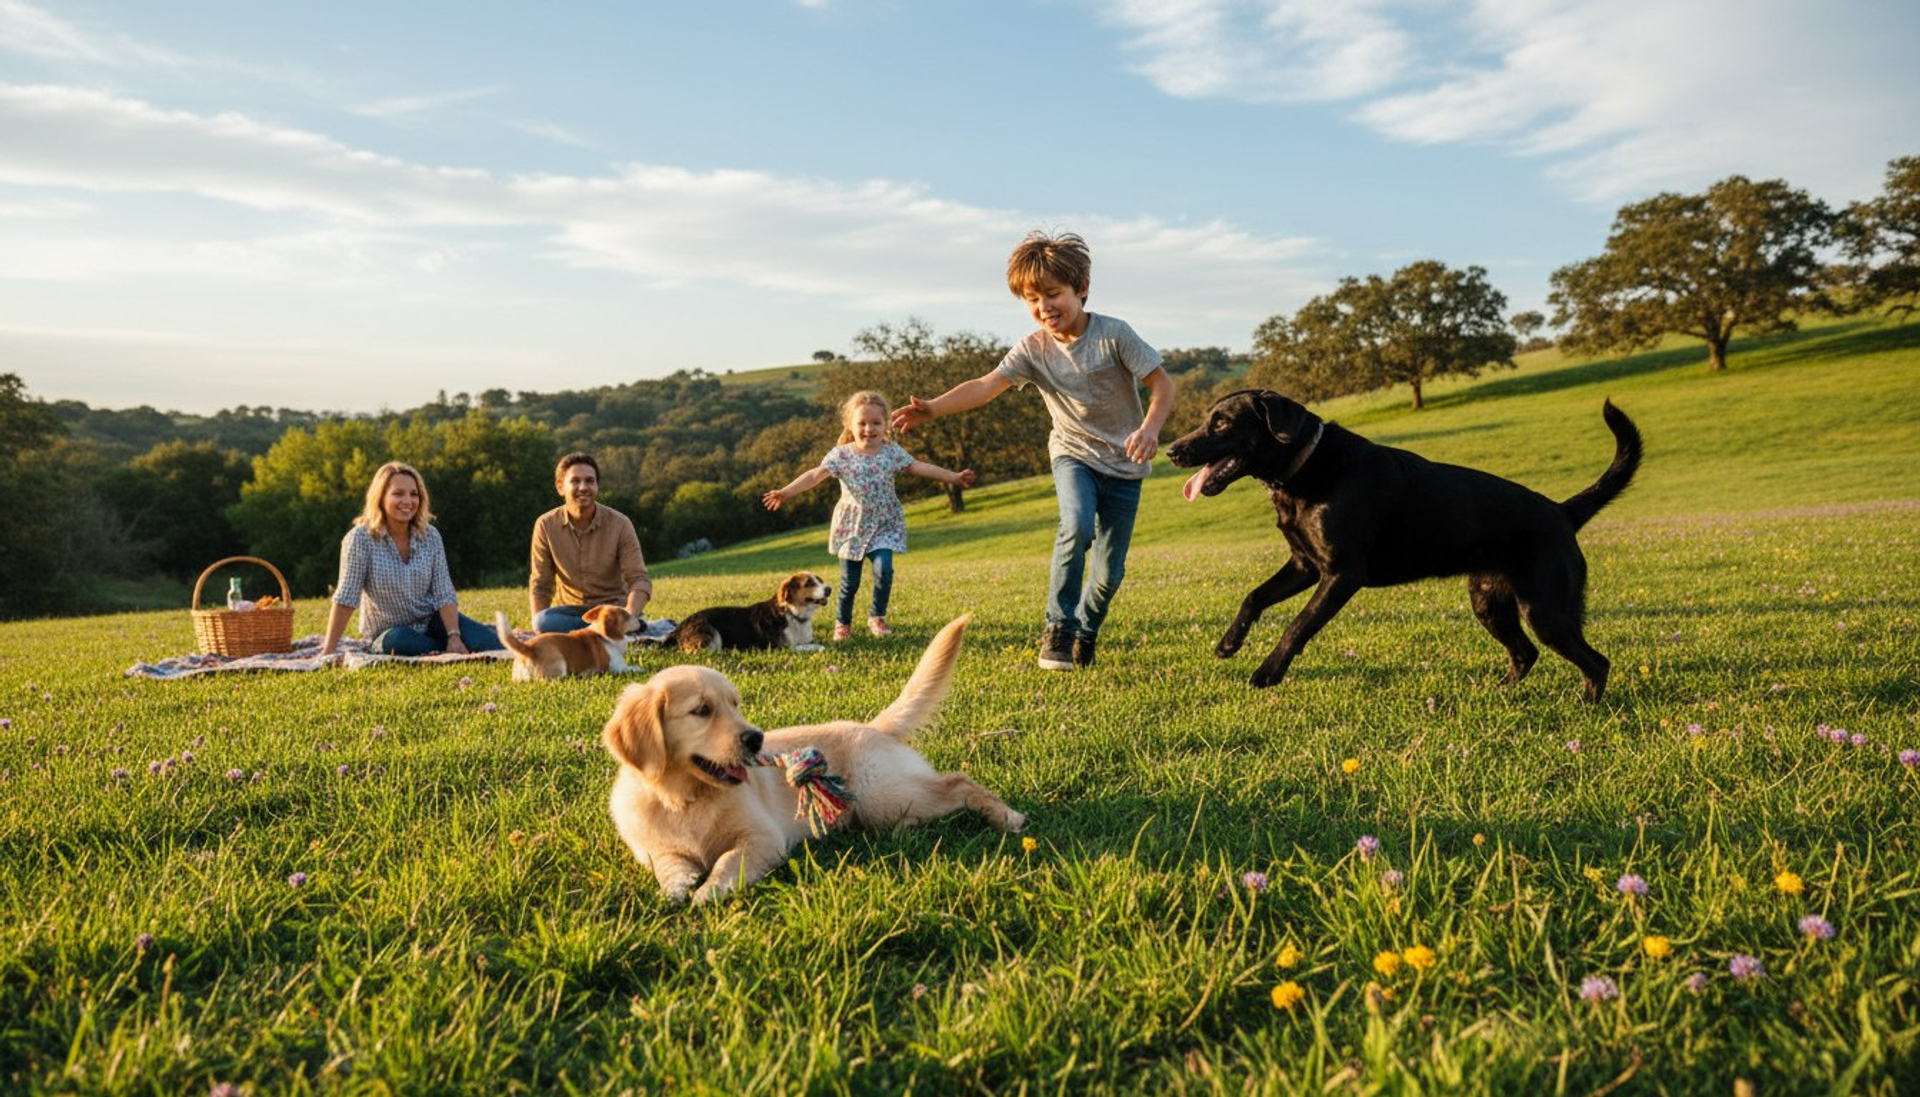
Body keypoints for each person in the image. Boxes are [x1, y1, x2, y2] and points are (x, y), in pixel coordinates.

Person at [892, 231, 1174, 671]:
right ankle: (1059, 625)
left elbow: (1162, 384)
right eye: (1031, 299)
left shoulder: (1114, 335)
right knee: (1076, 524)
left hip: (1124, 464)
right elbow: (986, 386)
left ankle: (1087, 629)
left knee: (1107, 576)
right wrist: (933, 407)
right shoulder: (1032, 349)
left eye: (1053, 293)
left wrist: (1150, 428)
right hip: (1072, 453)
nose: (1043, 307)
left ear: (1081, 289)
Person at [763, 391, 975, 641]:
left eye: (876, 423)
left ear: (886, 425)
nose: (869, 429)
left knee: (884, 570)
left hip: (884, 524)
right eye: (862, 423)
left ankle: (877, 618)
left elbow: (919, 467)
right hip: (851, 527)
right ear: (850, 425)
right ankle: (843, 624)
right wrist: (786, 492)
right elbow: (814, 475)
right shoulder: (841, 455)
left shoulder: (891, 452)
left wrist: (953, 476)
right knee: (849, 584)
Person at [320, 461, 504, 657]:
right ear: (380, 497)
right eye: (398, 493)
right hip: (390, 632)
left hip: (432, 621)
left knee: (489, 643)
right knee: (398, 642)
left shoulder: (430, 536)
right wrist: (328, 650)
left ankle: (448, 647)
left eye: (413, 494)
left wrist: (454, 636)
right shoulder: (360, 539)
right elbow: (346, 597)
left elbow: (444, 592)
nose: (408, 501)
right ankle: (445, 650)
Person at [529, 452, 652, 633]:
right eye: (575, 481)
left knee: (627, 621)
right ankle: (605, 632)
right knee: (543, 622)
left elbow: (639, 580)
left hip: (612, 610)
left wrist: (629, 616)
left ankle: (618, 628)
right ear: (560, 487)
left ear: (597, 486)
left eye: (589, 481)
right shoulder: (546, 525)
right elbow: (541, 584)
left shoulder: (620, 524)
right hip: (570, 613)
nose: (583, 487)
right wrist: (537, 631)